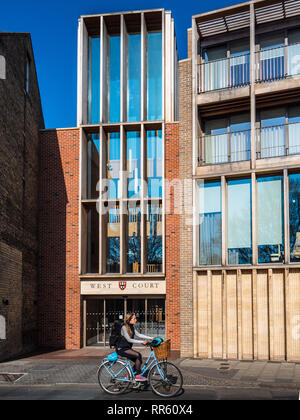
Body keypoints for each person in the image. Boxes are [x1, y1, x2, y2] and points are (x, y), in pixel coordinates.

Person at [116, 313, 154, 381]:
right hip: (121, 348)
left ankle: (129, 375)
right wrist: (141, 342)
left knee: (138, 360)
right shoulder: (124, 327)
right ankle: (138, 376)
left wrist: (150, 338)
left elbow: (139, 335)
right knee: (138, 355)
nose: (136, 320)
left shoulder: (132, 327)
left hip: (127, 348)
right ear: (129, 320)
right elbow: (129, 339)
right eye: (134, 318)